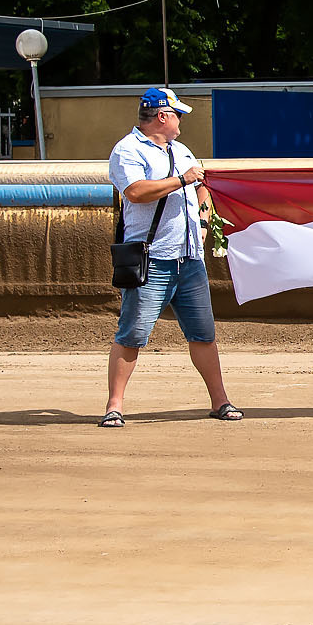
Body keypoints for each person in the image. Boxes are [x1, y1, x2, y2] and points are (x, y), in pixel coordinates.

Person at [103, 87, 241, 428]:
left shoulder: (181, 150)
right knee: (132, 334)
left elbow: (202, 186)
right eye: (177, 114)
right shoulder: (127, 151)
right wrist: (181, 179)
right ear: (162, 116)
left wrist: (206, 221)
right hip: (152, 259)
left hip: (189, 258)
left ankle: (220, 401)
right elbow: (135, 192)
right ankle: (114, 406)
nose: (181, 120)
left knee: (204, 334)